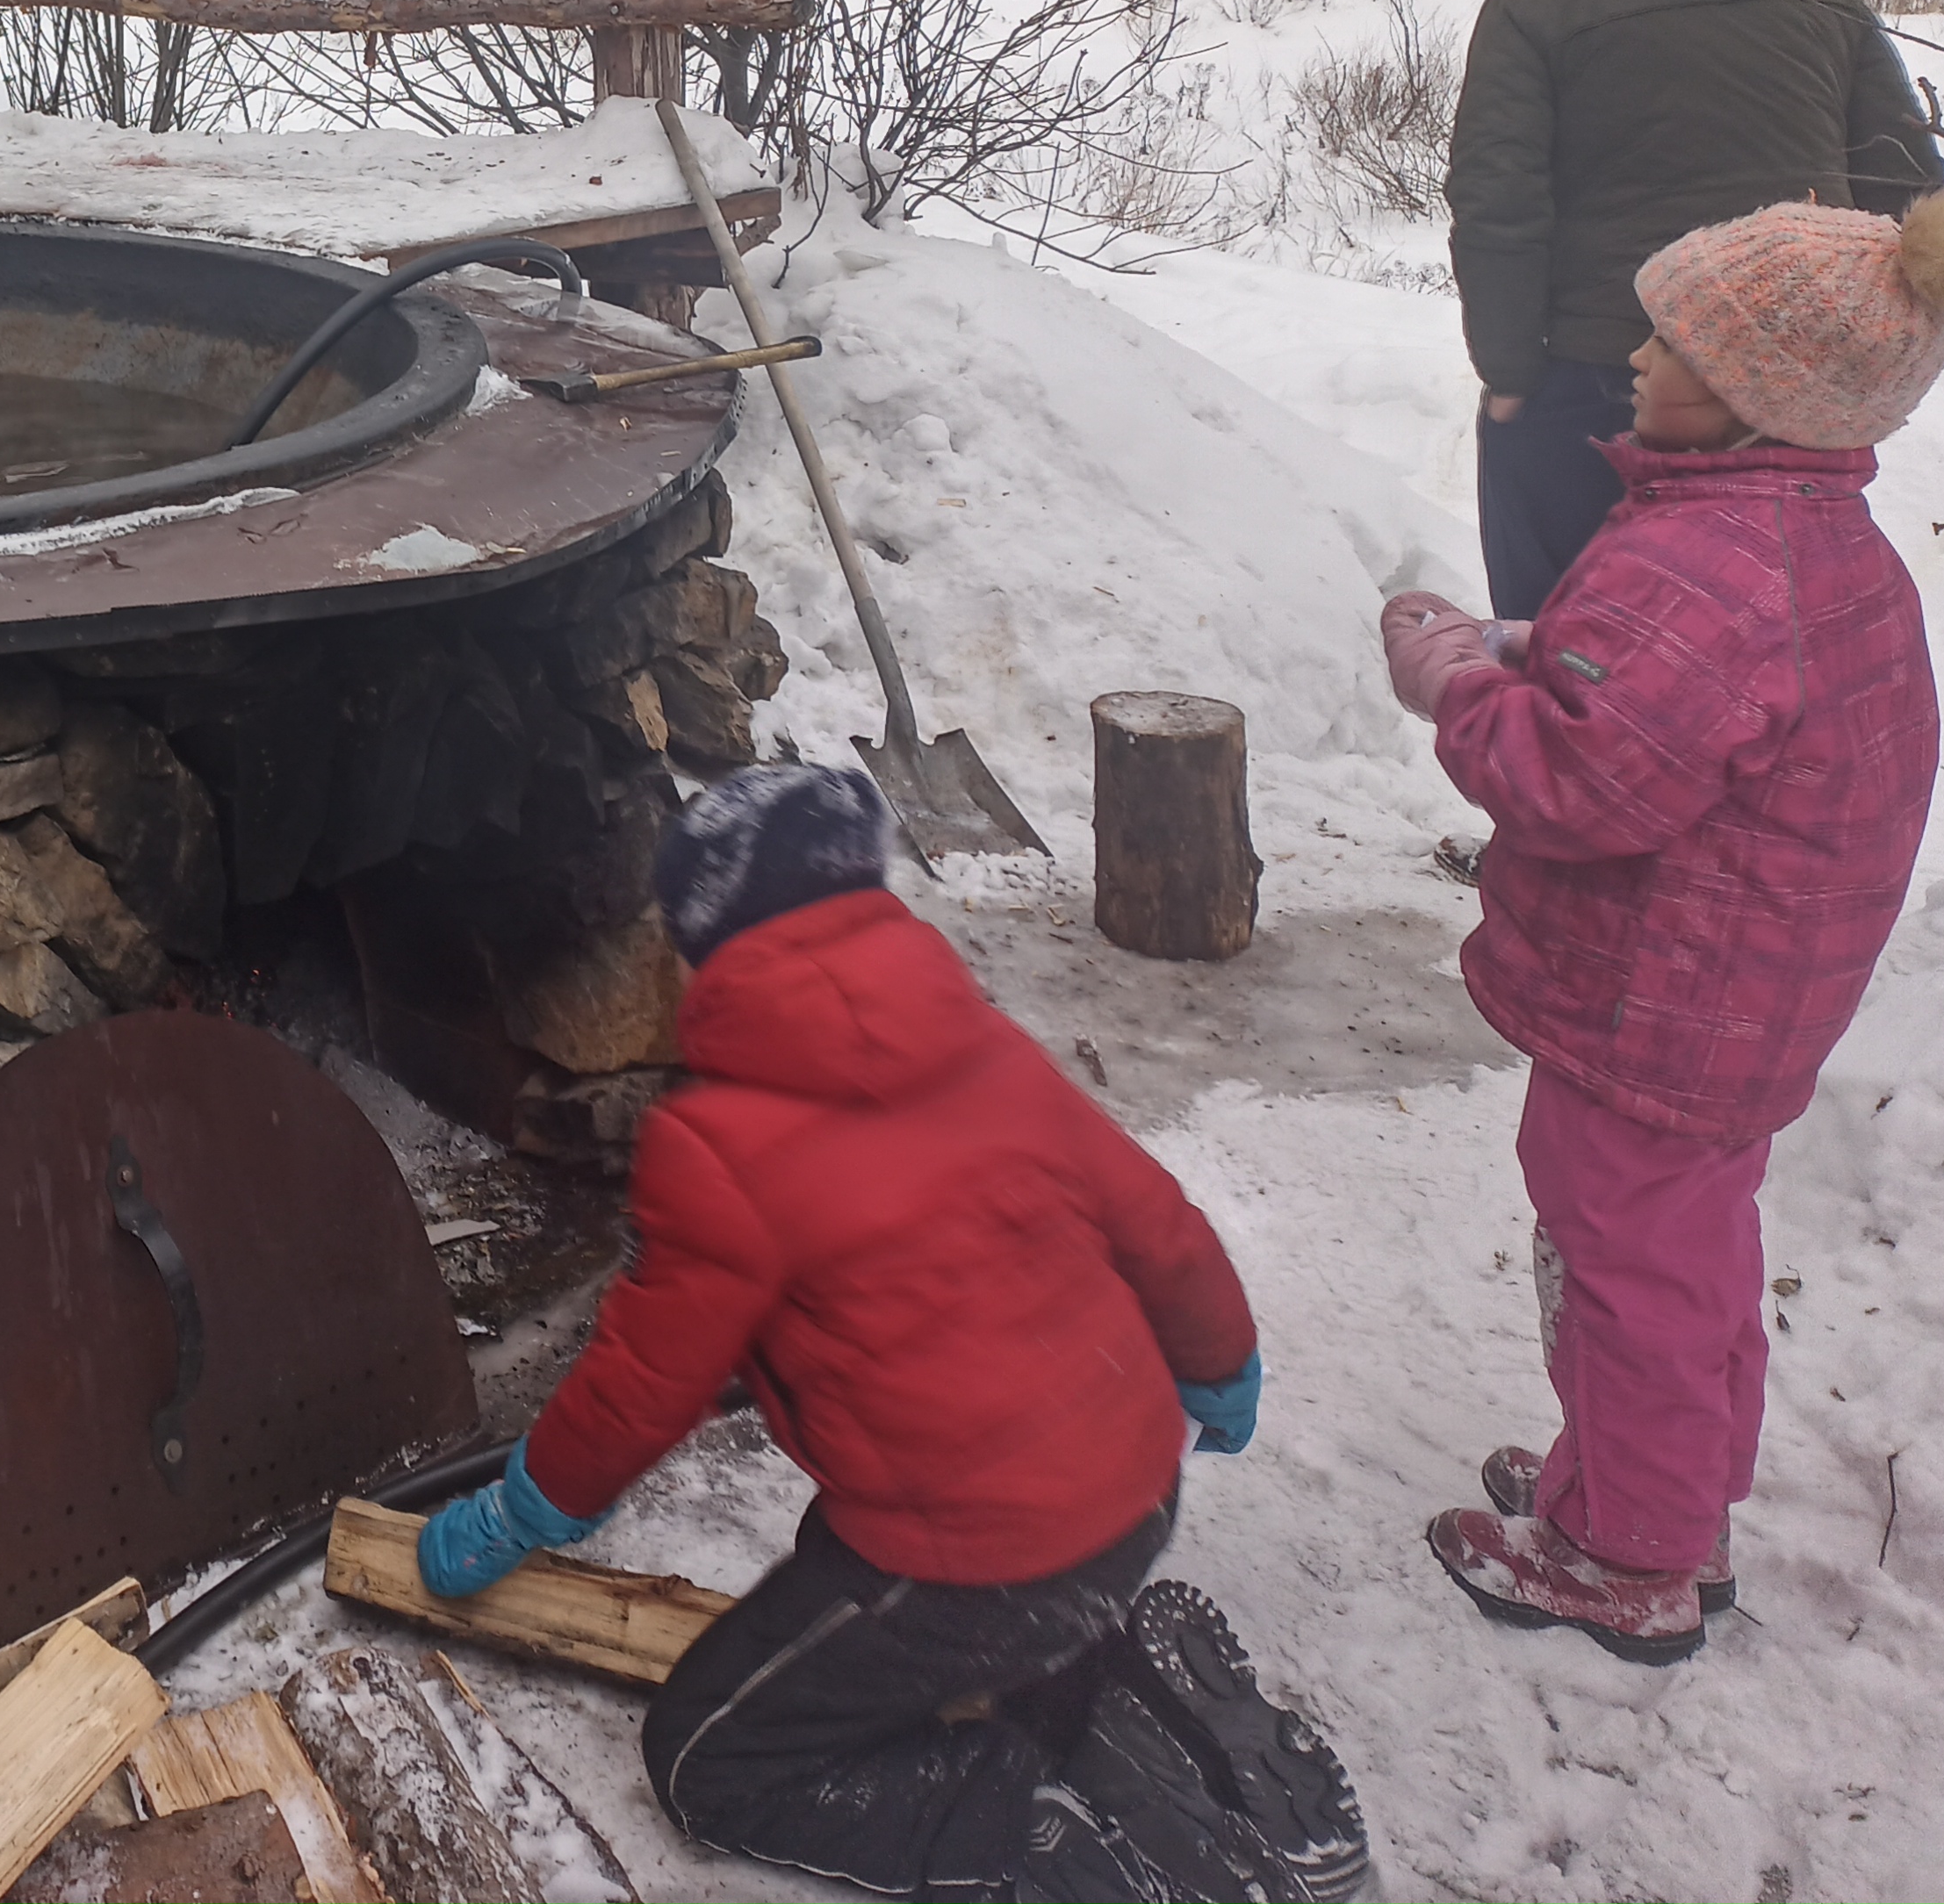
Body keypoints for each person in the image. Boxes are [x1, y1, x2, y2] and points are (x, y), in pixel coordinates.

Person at [415, 765, 1363, 1904]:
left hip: (979, 1560)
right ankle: (1111, 1695)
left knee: (710, 1757)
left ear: (702, 946)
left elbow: (640, 1382)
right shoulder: (989, 1050)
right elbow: (1161, 1228)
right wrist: (1222, 1371)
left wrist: (527, 1508)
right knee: (884, 1586)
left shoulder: (719, 1147)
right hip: (1133, 1495)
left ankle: (1032, 1820)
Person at [1379, 187, 1944, 1660]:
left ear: (1753, 399)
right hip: (1741, 998)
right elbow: (1676, 694)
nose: (1632, 353)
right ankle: (1651, 1486)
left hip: (1656, 1003)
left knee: (1625, 1262)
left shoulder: (1705, 560)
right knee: (1682, 1251)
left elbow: (1576, 772)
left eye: (1672, 339)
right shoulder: (1790, 537)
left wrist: (1454, 682)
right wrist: (1532, 648)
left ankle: (1627, 1553)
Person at [1448, 0, 1941, 620]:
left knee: (1557, 627)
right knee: (1763, 627)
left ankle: (1551, 728)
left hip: (1600, 368)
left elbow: (1499, 205)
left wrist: (1510, 375)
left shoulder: (1533, 5)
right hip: (1786, 377)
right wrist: (1852, 369)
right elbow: (1906, 192)